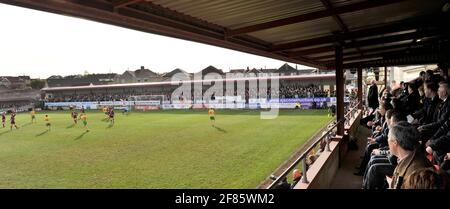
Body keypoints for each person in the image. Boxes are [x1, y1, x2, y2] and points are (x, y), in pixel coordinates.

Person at [388, 122, 433, 189]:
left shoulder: (415, 173)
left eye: (388, 138)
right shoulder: (410, 157)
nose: (387, 141)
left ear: (395, 143)